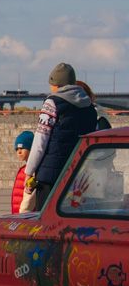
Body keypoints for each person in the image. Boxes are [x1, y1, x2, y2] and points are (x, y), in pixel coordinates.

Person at [24, 63, 98, 212]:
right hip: (78, 173)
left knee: (46, 219)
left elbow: (40, 141)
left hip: (51, 174)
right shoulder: (89, 107)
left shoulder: (52, 103)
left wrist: (29, 171)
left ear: (56, 84)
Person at [11, 131, 33, 214]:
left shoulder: (31, 172)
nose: (19, 152)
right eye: (17, 149)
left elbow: (29, 198)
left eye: (22, 148)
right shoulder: (23, 169)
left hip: (24, 216)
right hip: (17, 213)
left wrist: (22, 214)